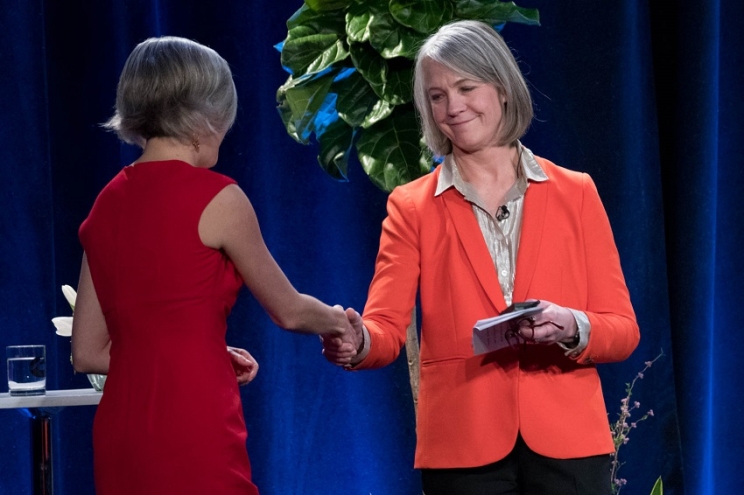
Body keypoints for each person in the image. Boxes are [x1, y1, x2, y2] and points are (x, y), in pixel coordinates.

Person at [322, 20, 640, 495]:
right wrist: (358, 343)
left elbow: (623, 330)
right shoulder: (411, 206)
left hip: (570, 443)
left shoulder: (576, 192)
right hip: (462, 447)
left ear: (503, 89)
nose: (452, 107)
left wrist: (570, 324)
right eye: (436, 96)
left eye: (466, 87)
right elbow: (385, 328)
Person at [71, 36, 351, 495]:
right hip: (192, 423)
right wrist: (338, 322)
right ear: (207, 116)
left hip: (122, 432)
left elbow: (86, 352)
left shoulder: (104, 205)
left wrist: (199, 354)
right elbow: (290, 311)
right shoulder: (219, 197)